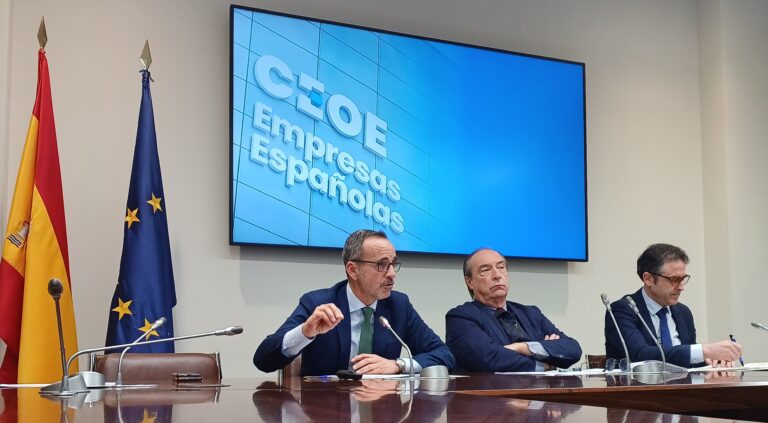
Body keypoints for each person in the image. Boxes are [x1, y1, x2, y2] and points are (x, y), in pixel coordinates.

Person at [253, 229, 455, 376]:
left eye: (393, 264)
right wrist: (305, 332)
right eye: (382, 265)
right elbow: (262, 360)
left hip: (382, 408)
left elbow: (444, 355)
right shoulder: (318, 303)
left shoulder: (399, 305)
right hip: (323, 409)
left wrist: (398, 365)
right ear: (353, 270)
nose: (392, 274)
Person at [605, 243, 742, 368]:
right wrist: (704, 350)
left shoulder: (683, 312)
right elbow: (640, 354)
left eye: (683, 279)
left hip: (683, 386)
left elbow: (686, 358)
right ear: (648, 279)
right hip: (636, 386)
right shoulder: (621, 310)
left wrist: (713, 358)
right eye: (675, 279)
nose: (681, 287)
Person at [445, 248, 582, 372]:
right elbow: (490, 359)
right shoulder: (460, 318)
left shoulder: (531, 313)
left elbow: (573, 349)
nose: (497, 275)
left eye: (501, 267)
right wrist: (544, 363)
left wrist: (522, 347)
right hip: (493, 391)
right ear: (470, 282)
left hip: (541, 389)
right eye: (485, 270)